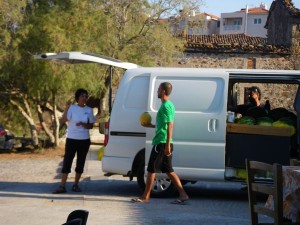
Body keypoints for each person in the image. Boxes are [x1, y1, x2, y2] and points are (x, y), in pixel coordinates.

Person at [131, 82, 189, 204]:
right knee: (169, 170)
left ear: (163, 91)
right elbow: (162, 126)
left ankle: (145, 196)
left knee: (151, 170)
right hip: (162, 142)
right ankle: (183, 195)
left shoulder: (166, 106)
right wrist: (150, 125)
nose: (157, 91)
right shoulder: (166, 106)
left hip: (162, 143)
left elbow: (170, 125)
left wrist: (167, 145)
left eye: (158, 89)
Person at [53, 88, 95, 194]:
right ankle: (62, 185)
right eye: (82, 96)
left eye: (86, 96)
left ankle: (75, 184)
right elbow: (63, 120)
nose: (84, 98)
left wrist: (83, 124)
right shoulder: (72, 108)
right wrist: (67, 108)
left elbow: (91, 126)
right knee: (67, 161)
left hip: (84, 140)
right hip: (72, 139)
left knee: (80, 162)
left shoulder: (89, 110)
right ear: (77, 98)